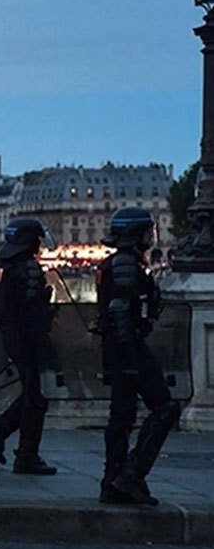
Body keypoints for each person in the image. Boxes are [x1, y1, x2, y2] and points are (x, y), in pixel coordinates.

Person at [96, 207, 181, 506]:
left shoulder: (121, 262)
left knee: (122, 414)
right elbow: (120, 310)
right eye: (146, 232)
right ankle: (130, 474)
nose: (150, 237)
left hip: (121, 347)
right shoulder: (125, 265)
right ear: (135, 234)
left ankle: (113, 480)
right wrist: (131, 356)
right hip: (128, 348)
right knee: (164, 407)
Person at [0, 218, 59, 475]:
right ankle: (23, 452)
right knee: (36, 397)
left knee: (32, 395)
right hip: (27, 338)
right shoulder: (29, 268)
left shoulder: (4, 266)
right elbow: (31, 311)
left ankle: (2, 436)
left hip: (10, 335)